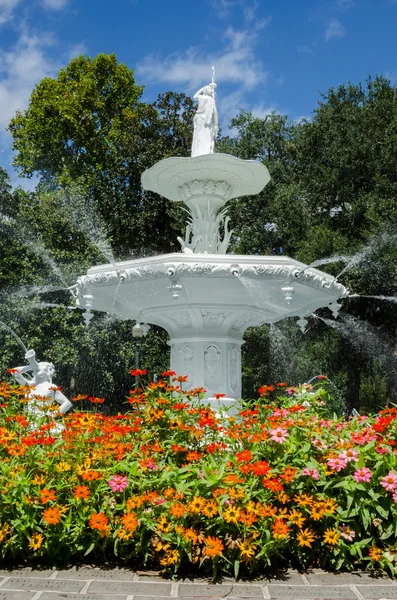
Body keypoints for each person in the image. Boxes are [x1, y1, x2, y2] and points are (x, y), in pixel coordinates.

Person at [11, 349, 72, 430]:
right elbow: (13, 372)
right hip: (29, 423)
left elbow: (67, 403)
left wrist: (51, 415)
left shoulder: (50, 388)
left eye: (39, 367)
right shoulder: (29, 386)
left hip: (44, 423)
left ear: (45, 372)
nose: (37, 369)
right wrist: (31, 366)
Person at [191, 81, 219, 157]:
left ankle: (197, 152)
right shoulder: (211, 100)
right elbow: (215, 112)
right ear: (208, 91)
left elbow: (194, 96)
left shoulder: (201, 97)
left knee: (199, 135)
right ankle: (206, 151)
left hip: (199, 118)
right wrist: (216, 124)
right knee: (206, 135)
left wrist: (202, 89)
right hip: (206, 120)